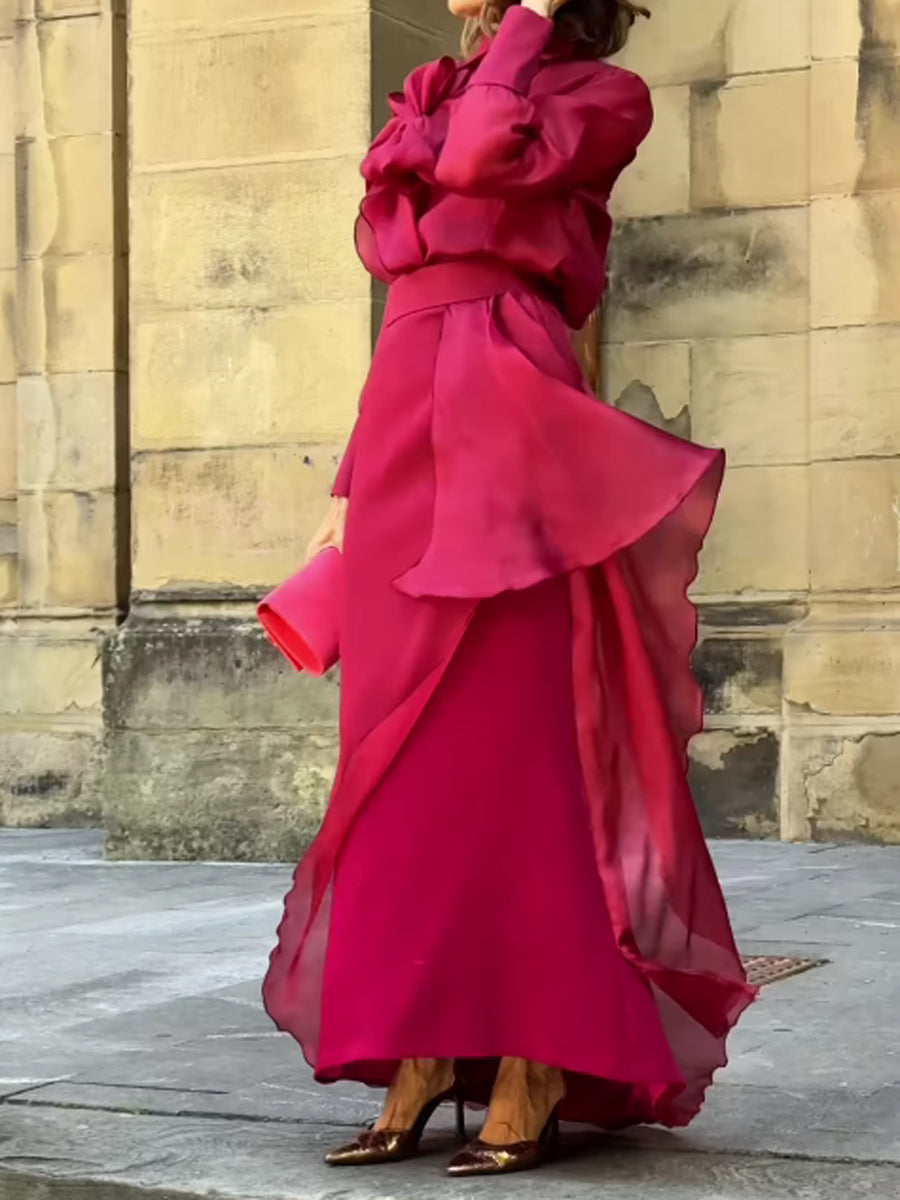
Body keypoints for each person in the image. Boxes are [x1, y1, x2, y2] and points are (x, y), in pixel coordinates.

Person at [263, 0, 758, 1177]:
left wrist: (530, 24)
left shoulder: (599, 97)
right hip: (406, 420)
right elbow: (400, 267)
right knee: (399, 763)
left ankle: (536, 1058)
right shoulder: (427, 92)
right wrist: (351, 479)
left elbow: (485, 162)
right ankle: (422, 1050)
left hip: (513, 415)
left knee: (524, 754)